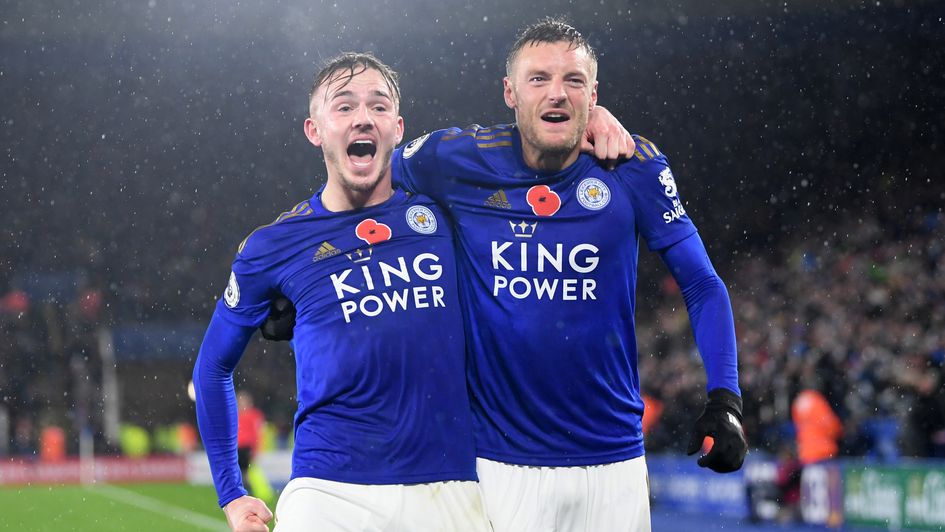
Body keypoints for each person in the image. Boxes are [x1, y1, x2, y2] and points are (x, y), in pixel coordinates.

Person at [389, 18, 747, 531]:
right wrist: (298, 276)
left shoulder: (632, 165)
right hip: (499, 465)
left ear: (593, 93)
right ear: (509, 92)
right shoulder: (456, 158)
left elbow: (702, 283)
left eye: (573, 81)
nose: (556, 93)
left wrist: (726, 399)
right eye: (539, 79)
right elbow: (362, 180)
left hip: (616, 466)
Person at [192, 52, 493, 532]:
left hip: (450, 488)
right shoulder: (273, 245)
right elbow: (212, 366)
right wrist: (231, 492)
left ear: (397, 129)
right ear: (315, 130)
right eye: (344, 106)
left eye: (378, 106)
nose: (362, 118)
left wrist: (590, 118)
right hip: (329, 493)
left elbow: (535, 156)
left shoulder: (447, 216)